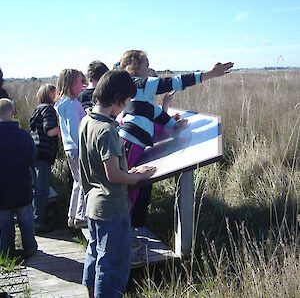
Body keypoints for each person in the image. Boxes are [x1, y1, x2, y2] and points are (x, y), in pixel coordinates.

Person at [117, 50, 234, 227]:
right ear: (134, 67)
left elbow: (154, 113)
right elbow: (176, 82)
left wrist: (174, 125)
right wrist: (210, 74)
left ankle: (130, 229)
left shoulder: (138, 91)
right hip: (131, 144)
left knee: (135, 187)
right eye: (146, 66)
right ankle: (126, 232)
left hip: (133, 143)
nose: (149, 70)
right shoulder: (140, 85)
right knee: (131, 188)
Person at [79, 70, 156, 298]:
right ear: (117, 98)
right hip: (112, 208)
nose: (125, 108)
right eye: (125, 102)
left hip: (93, 204)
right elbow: (113, 175)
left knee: (95, 255)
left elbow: (103, 168)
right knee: (112, 265)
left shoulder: (87, 121)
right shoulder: (108, 130)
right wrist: (138, 177)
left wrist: (127, 172)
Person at [0, 98, 37, 258]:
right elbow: (33, 157)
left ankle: (7, 252)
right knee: (26, 220)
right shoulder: (23, 135)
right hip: (22, 185)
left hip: (2, 190)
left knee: (5, 223)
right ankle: (29, 248)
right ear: (13, 113)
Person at [54, 69, 87, 229]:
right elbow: (75, 130)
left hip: (68, 148)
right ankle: (81, 216)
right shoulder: (73, 104)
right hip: (77, 147)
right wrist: (85, 148)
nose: (83, 85)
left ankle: (72, 214)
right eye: (81, 82)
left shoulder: (62, 103)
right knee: (84, 181)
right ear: (73, 83)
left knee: (77, 181)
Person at [29, 84, 60, 233]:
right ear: (50, 95)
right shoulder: (48, 110)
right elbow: (50, 131)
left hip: (34, 153)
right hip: (44, 154)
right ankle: (38, 221)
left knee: (37, 188)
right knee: (42, 188)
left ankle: (34, 218)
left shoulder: (37, 110)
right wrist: (61, 129)